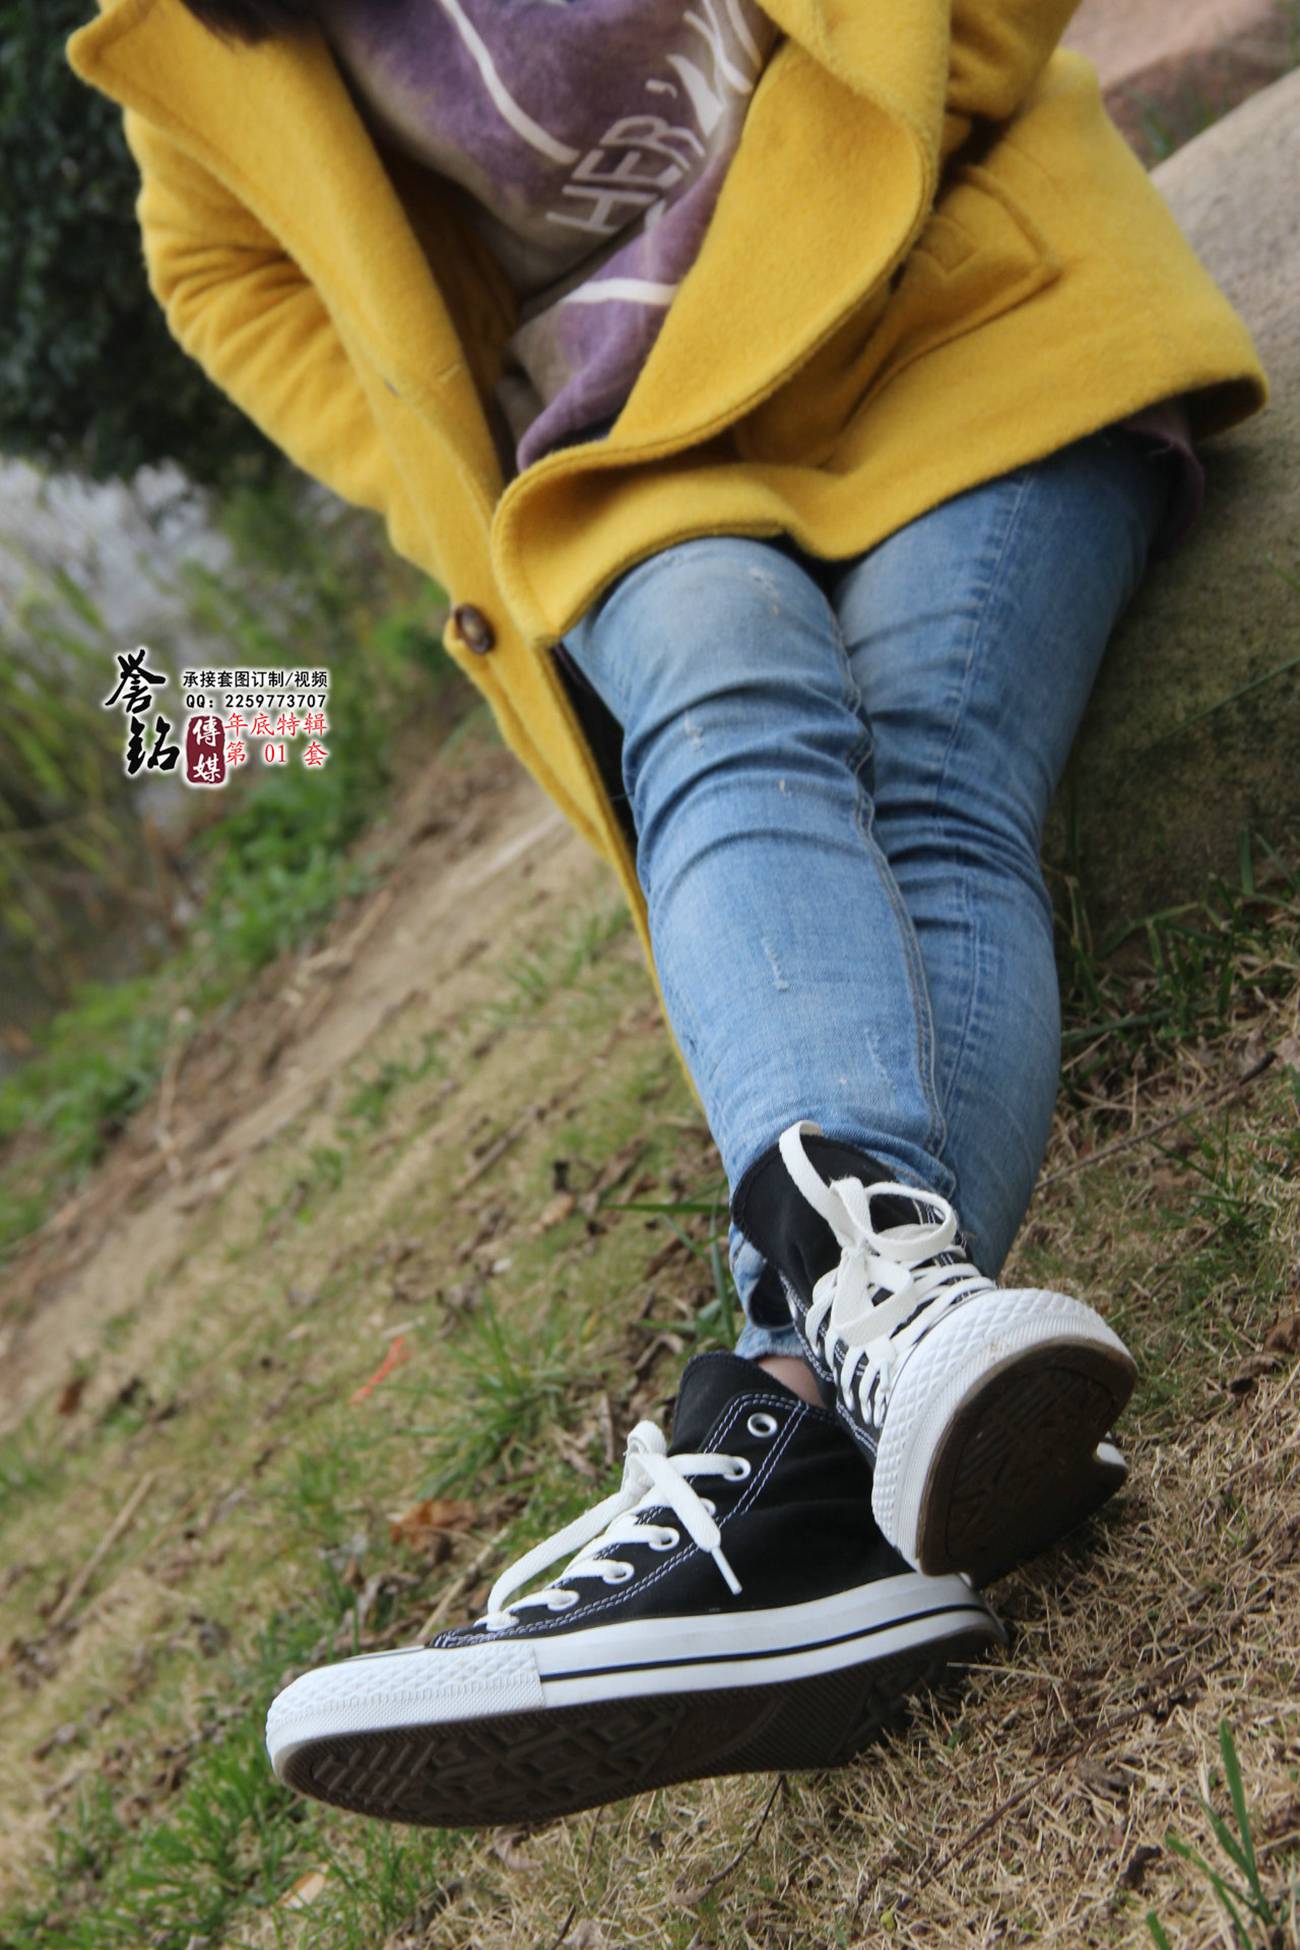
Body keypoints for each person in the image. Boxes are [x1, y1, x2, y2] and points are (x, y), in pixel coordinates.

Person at [67, 0, 1267, 1830]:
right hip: (619, 460)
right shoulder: (195, 44)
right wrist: (470, 457)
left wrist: (849, 184)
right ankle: (864, 1368)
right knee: (719, 695)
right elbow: (229, 274)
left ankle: (792, 1440)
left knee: (931, 769)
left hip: (950, 308)